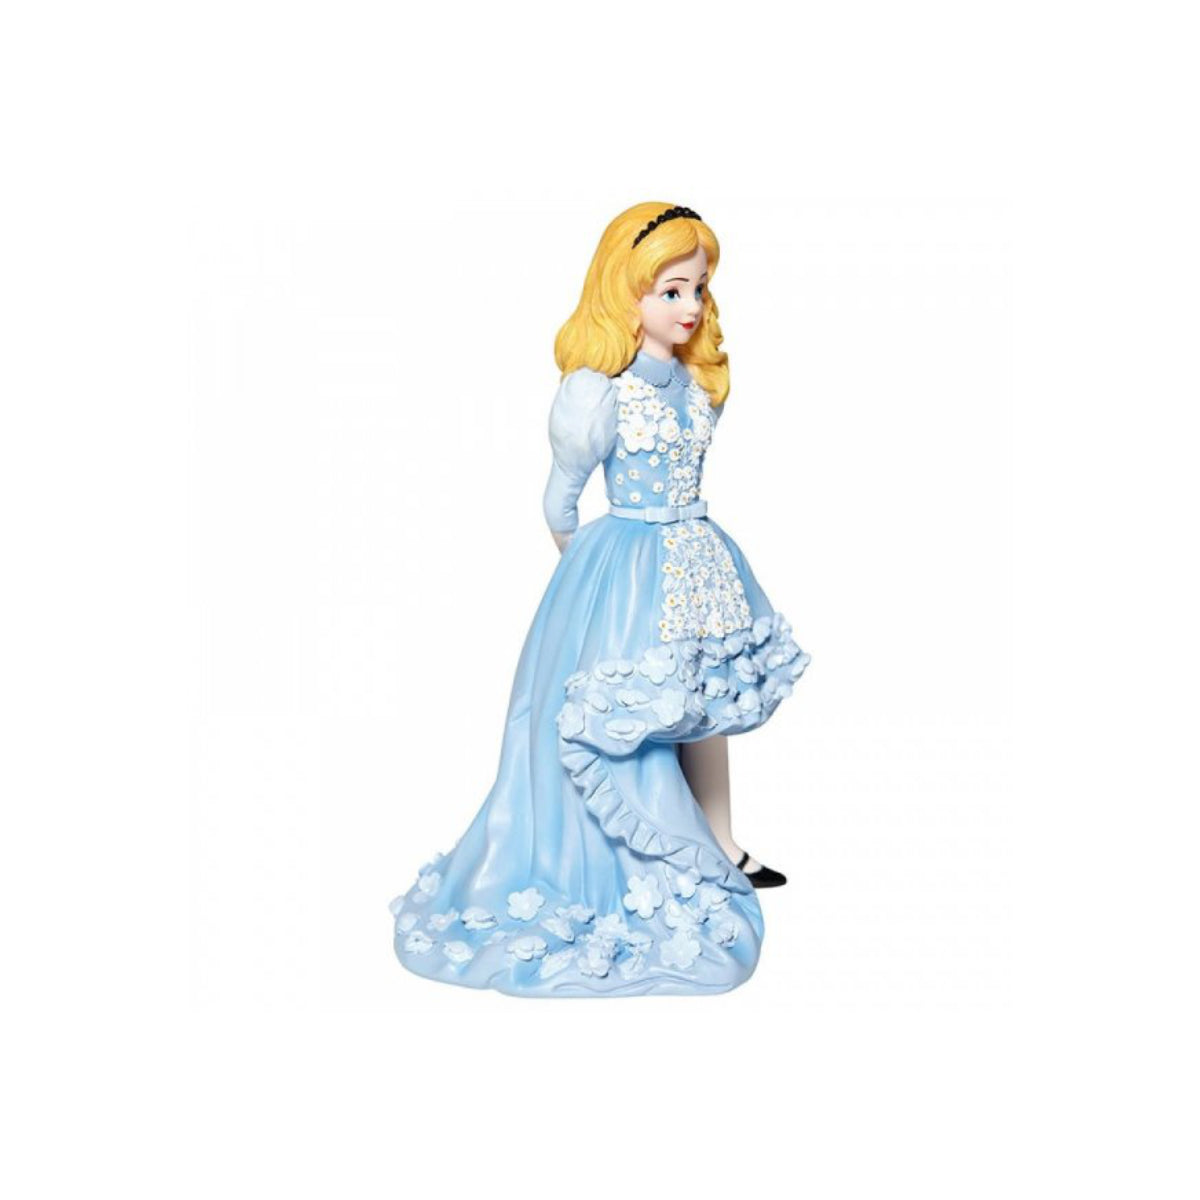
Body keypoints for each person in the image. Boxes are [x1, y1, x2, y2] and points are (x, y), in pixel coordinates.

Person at [390, 202, 811, 997]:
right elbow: (560, 502)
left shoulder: (700, 385)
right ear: (627, 292)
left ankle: (723, 840)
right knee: (633, 716)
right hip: (628, 568)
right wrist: (594, 573)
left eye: (698, 289)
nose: (690, 306)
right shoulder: (597, 394)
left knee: (704, 704)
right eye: (671, 291)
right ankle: (656, 846)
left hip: (699, 560)